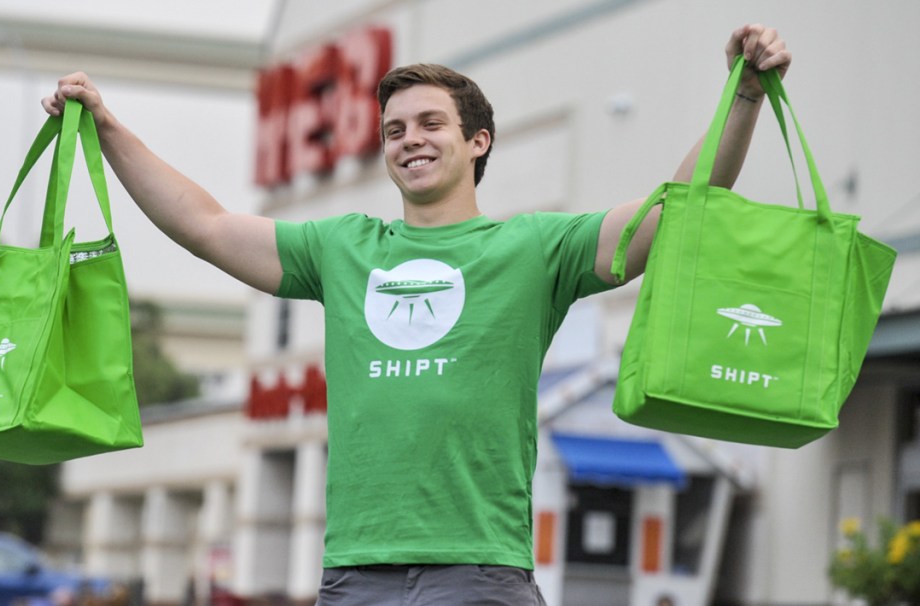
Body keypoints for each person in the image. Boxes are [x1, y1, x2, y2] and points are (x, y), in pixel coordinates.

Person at [42, 23, 790, 606]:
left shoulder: (533, 247)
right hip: (354, 574)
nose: (410, 140)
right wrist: (108, 127)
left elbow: (676, 213)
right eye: (395, 130)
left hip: (480, 572)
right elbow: (204, 226)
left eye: (431, 123)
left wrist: (745, 95)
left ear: (477, 141)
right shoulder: (342, 248)